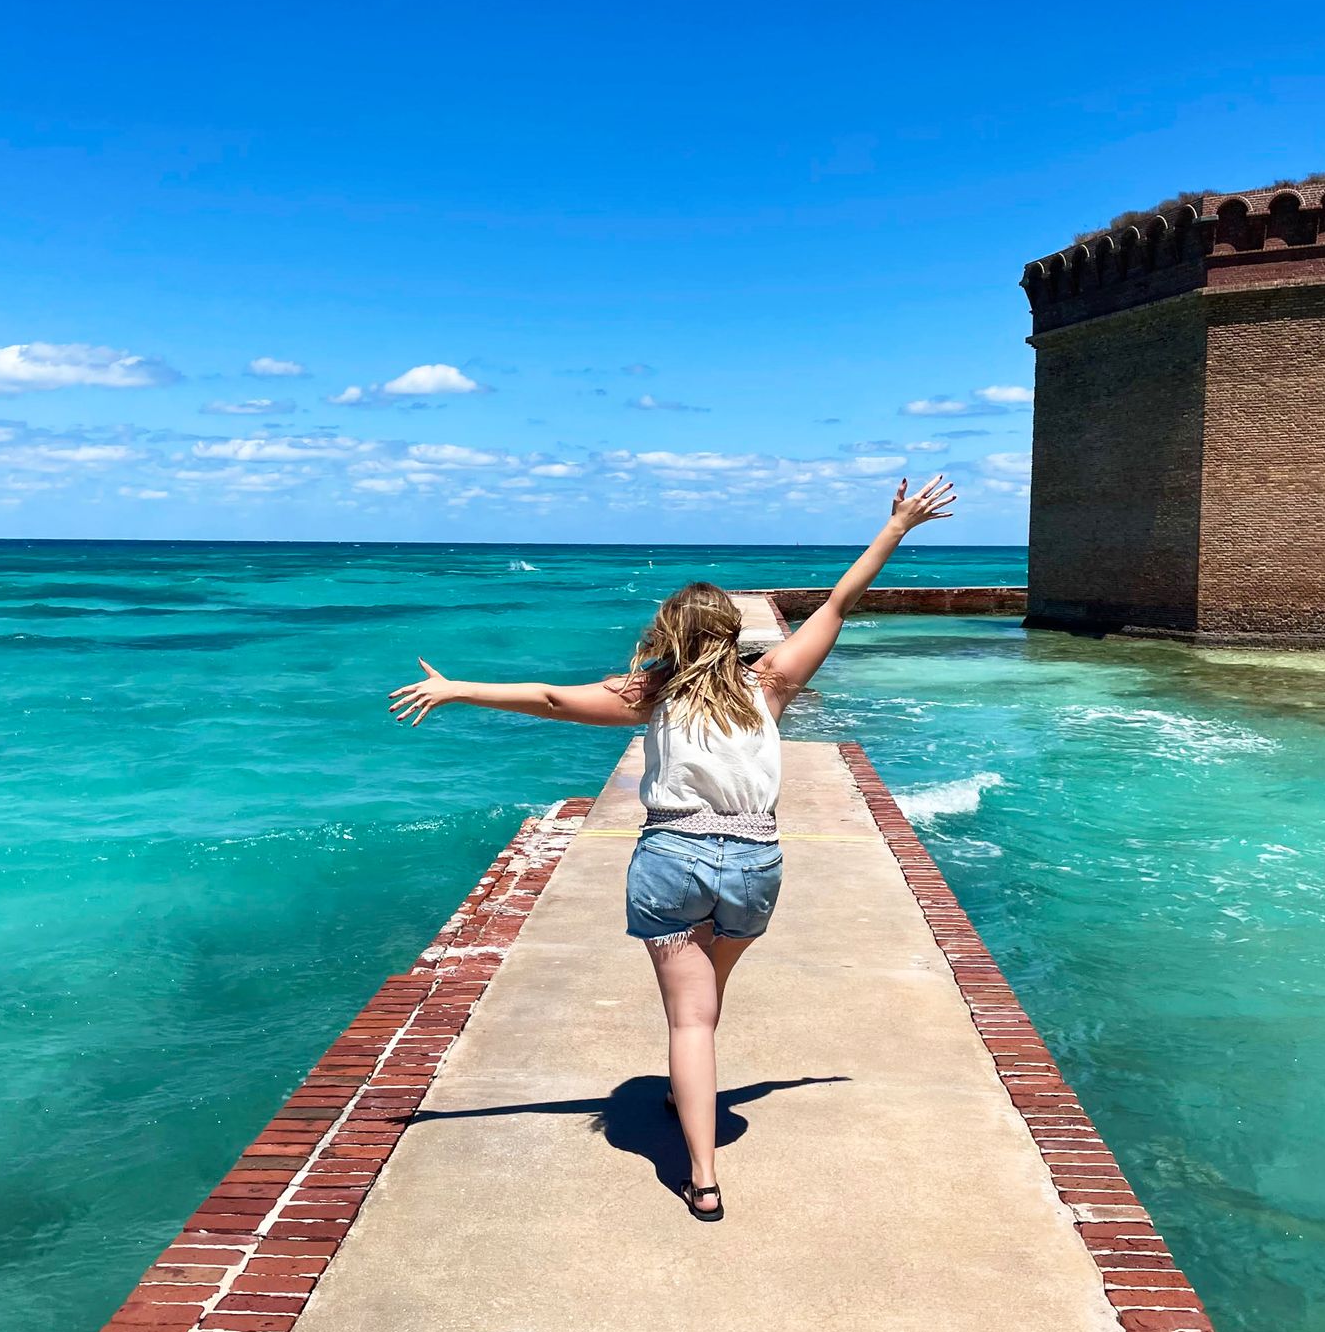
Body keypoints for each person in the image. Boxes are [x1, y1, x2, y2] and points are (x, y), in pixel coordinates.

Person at [388, 474, 956, 1221]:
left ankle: (703, 1176)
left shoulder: (650, 695)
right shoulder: (774, 682)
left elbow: (554, 698)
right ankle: (693, 1101)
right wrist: (896, 529)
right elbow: (838, 603)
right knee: (707, 1006)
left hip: (672, 860)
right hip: (754, 864)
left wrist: (461, 688)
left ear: (669, 636)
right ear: (731, 635)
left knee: (692, 1020)